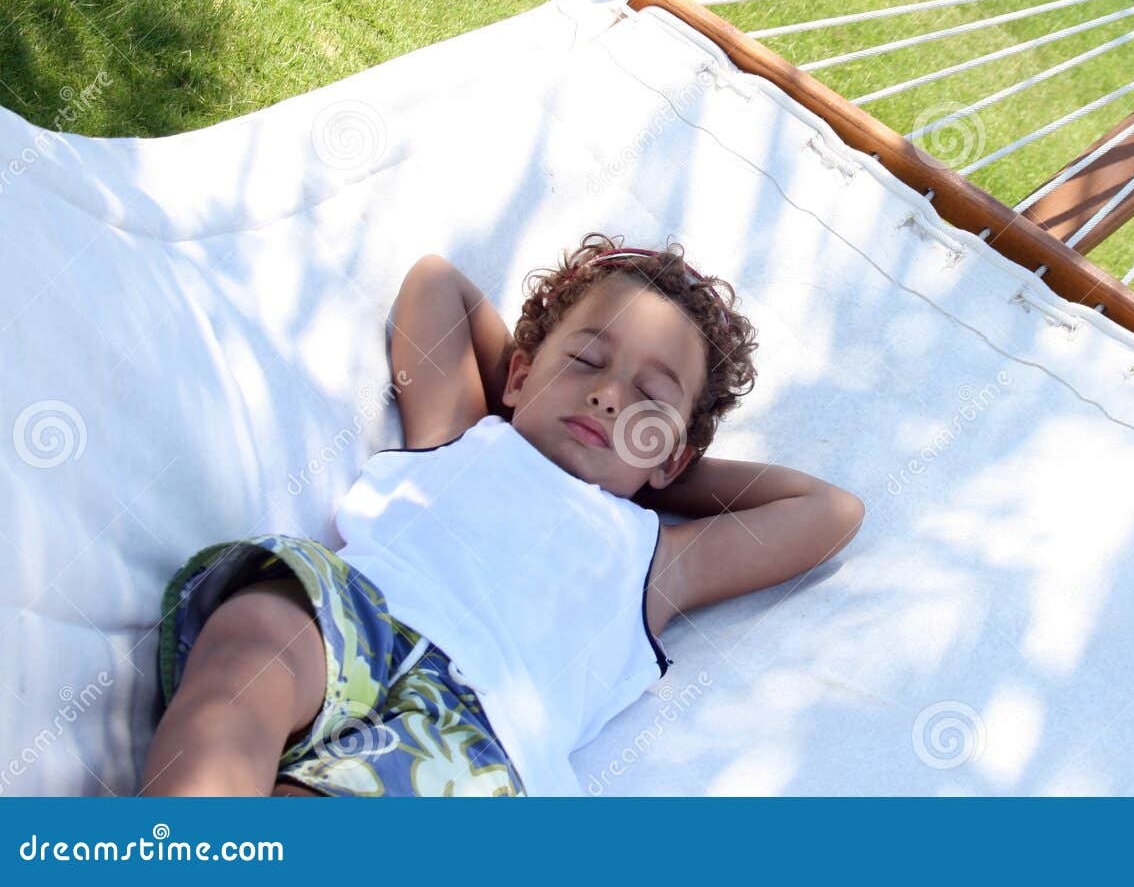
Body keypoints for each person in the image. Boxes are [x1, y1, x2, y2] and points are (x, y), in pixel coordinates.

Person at [140, 231, 865, 796]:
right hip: (358, 616)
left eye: (648, 396)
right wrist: (534, 397)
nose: (610, 396)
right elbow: (435, 281)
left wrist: (650, 471)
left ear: (674, 459)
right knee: (255, 638)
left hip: (480, 733)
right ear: (518, 371)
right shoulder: (465, 431)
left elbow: (829, 510)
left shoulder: (660, 556)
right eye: (585, 360)